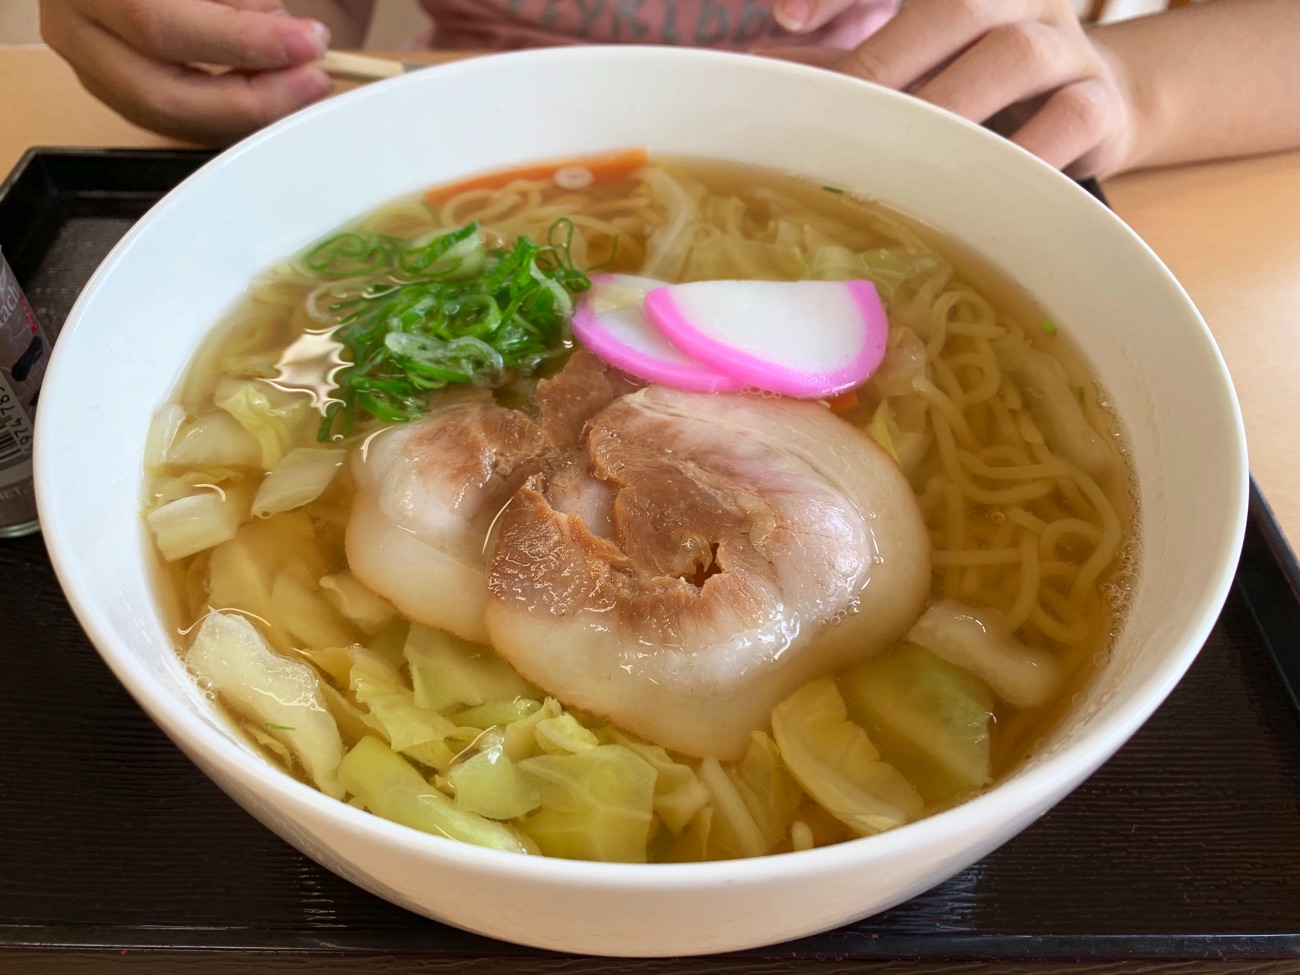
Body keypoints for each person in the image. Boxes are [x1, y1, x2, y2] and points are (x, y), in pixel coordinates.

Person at [39, 0, 1300, 179]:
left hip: (951, 147)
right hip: (462, 150)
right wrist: (215, 33)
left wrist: (1139, 87)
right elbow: (308, 21)